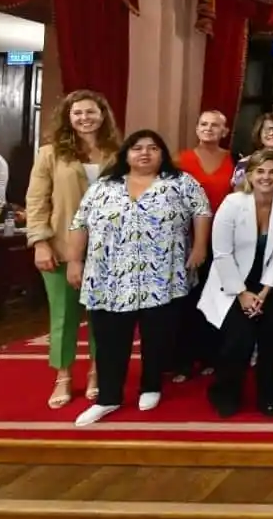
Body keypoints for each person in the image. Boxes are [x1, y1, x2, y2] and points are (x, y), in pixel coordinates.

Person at [66, 130, 211, 427]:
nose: (145, 153)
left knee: (158, 337)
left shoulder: (180, 182)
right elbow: (80, 223)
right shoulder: (104, 186)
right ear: (126, 154)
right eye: (137, 148)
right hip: (108, 276)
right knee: (109, 340)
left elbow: (202, 211)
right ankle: (108, 397)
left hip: (162, 274)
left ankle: (151, 385)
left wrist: (199, 247)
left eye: (153, 148)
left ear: (162, 154)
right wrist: (74, 261)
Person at [25, 90, 120, 410]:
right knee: (63, 314)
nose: (84, 118)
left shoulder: (118, 153)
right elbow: (36, 201)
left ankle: (96, 371)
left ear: (103, 115)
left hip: (109, 250)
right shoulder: (50, 153)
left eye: (91, 112)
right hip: (61, 246)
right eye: (77, 113)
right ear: (68, 117)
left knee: (103, 317)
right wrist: (40, 242)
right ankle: (63, 375)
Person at [199, 149, 273, 418]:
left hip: (269, 281)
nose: (266, 177)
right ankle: (225, 393)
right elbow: (221, 253)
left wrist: (264, 292)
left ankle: (269, 393)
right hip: (231, 280)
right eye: (260, 171)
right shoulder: (232, 203)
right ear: (250, 175)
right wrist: (242, 294)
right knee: (238, 340)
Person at [174, 109, 236, 382]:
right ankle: (184, 361)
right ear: (197, 128)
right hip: (186, 239)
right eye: (204, 124)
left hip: (224, 240)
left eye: (215, 125)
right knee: (187, 301)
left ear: (225, 131)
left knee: (218, 299)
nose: (208, 128)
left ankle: (213, 356)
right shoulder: (180, 160)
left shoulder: (235, 159)